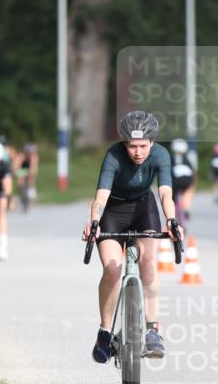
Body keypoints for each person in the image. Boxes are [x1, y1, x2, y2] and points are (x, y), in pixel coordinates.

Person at [82, 111, 183, 364]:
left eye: (143, 146)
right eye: (132, 146)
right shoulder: (114, 155)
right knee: (112, 269)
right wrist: (94, 221)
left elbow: (165, 194)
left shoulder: (160, 155)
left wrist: (171, 220)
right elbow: (102, 194)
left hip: (143, 209)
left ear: (152, 142)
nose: (137, 152)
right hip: (113, 211)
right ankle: (105, 331)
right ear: (124, 143)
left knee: (149, 261)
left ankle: (152, 330)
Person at [169, 138, 196, 224]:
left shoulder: (171, 158)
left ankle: (173, 213)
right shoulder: (186, 159)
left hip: (175, 181)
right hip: (187, 180)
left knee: (173, 197)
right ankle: (186, 209)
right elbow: (191, 171)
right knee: (188, 191)